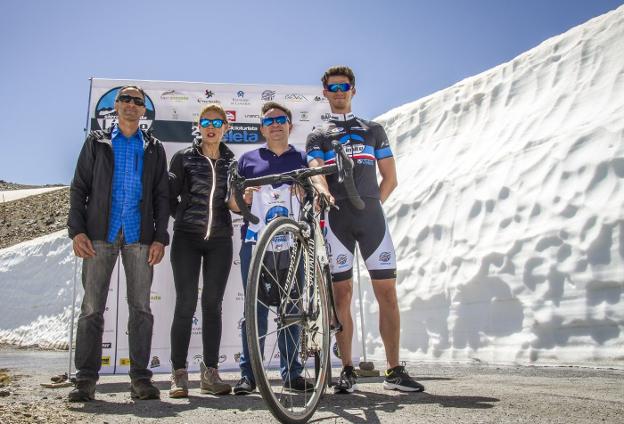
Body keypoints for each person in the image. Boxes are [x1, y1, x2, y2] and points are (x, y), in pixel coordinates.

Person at [306, 66, 425, 393]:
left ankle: (394, 371)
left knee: (387, 293)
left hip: (371, 219)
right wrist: (323, 189)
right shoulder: (318, 134)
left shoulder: (373, 130)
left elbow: (391, 178)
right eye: (333, 88)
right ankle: (346, 369)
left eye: (344, 86)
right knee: (341, 296)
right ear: (326, 93)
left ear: (353, 91)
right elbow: (315, 169)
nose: (339, 91)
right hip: (337, 219)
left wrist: (374, 204)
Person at [67, 85, 169, 401]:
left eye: (136, 101)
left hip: (139, 237)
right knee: (92, 308)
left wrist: (160, 237)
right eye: (124, 99)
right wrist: (77, 231)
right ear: (116, 106)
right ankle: (85, 380)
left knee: (140, 309)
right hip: (100, 235)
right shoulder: (96, 143)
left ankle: (140, 379)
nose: (130, 104)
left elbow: (161, 196)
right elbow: (78, 188)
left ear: (143, 111)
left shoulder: (154, 147)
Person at [231, 102, 313, 395]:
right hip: (256, 243)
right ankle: (248, 376)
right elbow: (232, 203)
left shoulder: (303, 158)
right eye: (270, 121)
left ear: (290, 125)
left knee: (292, 308)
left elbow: (315, 201)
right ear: (262, 128)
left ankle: (292, 374)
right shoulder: (247, 159)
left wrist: (306, 194)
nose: (276, 124)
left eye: (281, 119)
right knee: (255, 310)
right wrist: (245, 196)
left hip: (294, 244)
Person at [167, 104, 236, 397]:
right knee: (185, 304)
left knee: (212, 305)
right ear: (199, 126)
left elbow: (234, 200)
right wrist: (183, 217)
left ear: (225, 127)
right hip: (187, 238)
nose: (211, 126)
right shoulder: (183, 158)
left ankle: (210, 373)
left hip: (220, 239)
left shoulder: (232, 161)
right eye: (205, 121)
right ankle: (179, 374)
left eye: (216, 122)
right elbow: (169, 198)